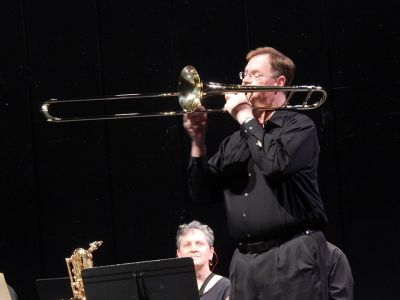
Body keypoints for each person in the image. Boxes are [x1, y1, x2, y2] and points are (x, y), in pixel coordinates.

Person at [183, 46, 329, 299]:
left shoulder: (299, 126)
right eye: (244, 74)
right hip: (245, 261)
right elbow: (203, 194)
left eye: (255, 74)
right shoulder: (234, 142)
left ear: (278, 83)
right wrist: (198, 142)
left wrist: (245, 116)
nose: (245, 81)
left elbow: (275, 165)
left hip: (292, 253)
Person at [176, 220, 230, 300]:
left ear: (211, 252)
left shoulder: (226, 287)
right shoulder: (171, 287)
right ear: (179, 254)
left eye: (199, 244)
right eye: (187, 245)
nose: (193, 249)